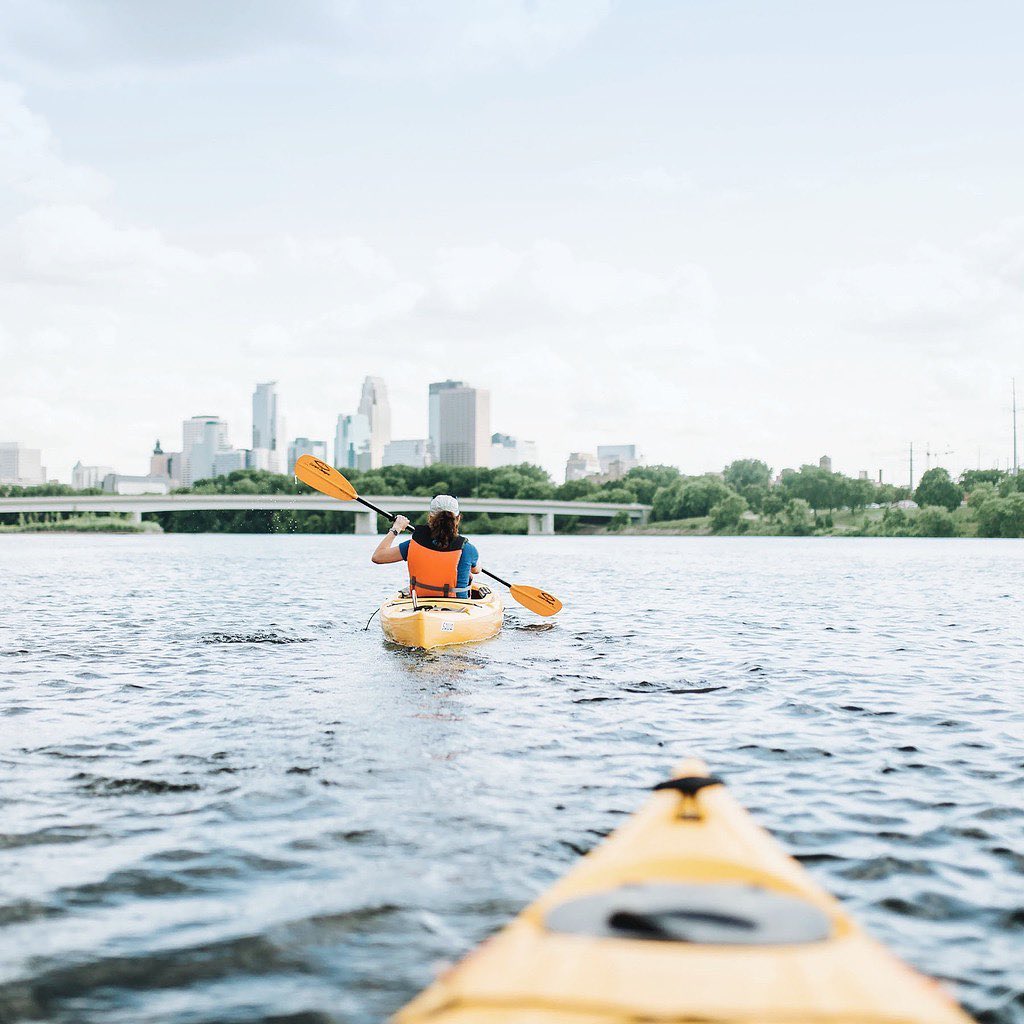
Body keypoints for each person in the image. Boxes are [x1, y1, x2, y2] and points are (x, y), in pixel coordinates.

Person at [370, 494, 480, 598]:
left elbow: (378, 557)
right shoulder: (468, 549)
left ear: (430, 517)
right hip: (458, 608)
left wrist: (397, 527)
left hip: (419, 604)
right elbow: (476, 570)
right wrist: (476, 566)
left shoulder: (413, 545)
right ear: (458, 518)